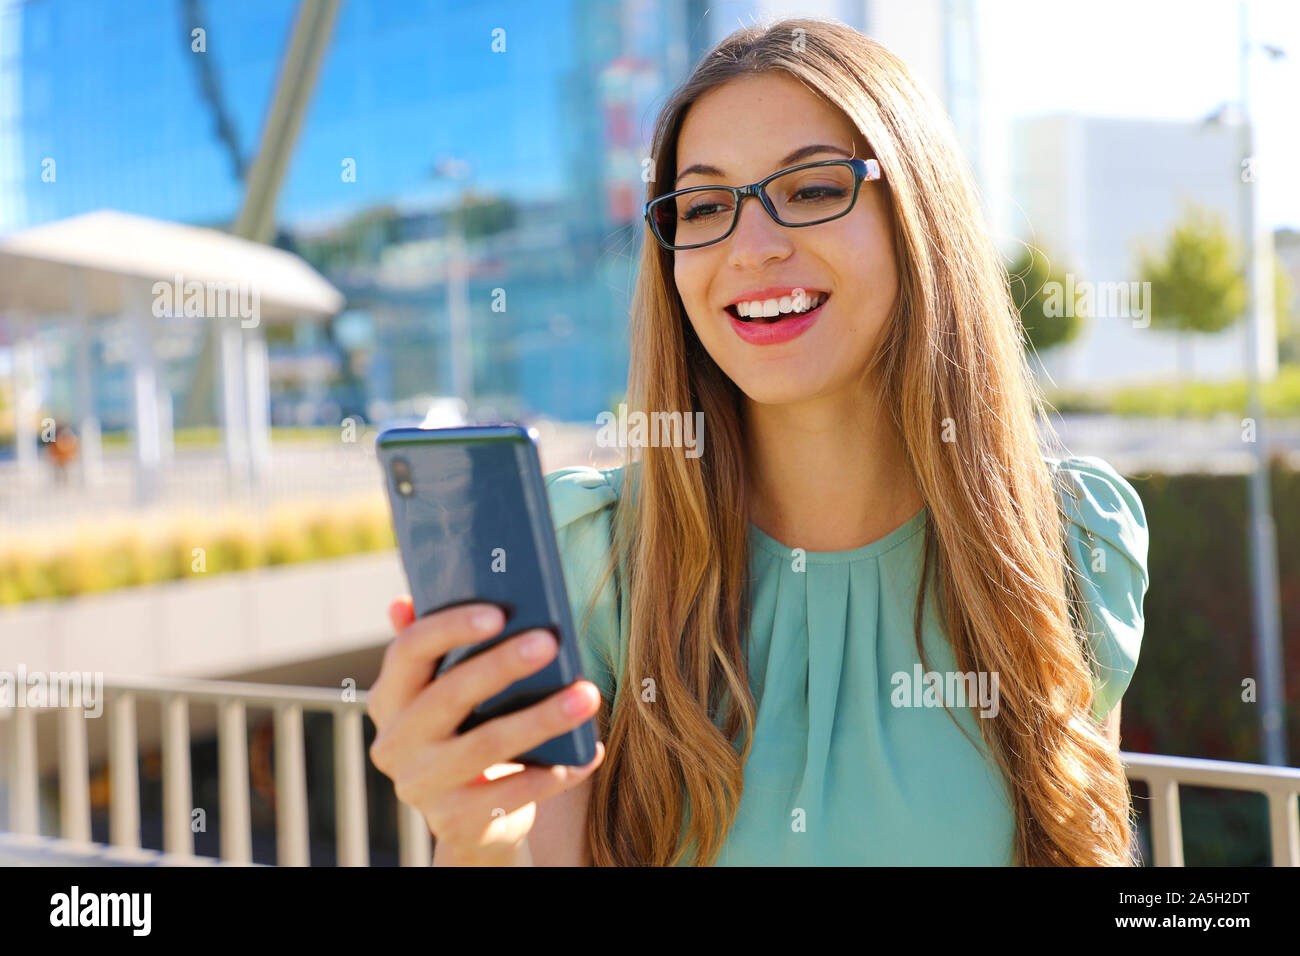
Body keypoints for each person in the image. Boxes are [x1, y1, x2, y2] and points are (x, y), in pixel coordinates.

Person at [367, 17, 1148, 866]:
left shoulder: (1071, 536)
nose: (752, 248)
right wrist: (472, 839)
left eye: (812, 190)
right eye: (703, 206)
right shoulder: (590, 559)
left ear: (920, 216)